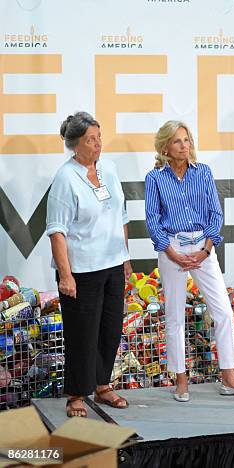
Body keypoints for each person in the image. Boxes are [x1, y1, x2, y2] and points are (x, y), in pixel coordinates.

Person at [145, 120, 234, 402]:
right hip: (171, 247)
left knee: (223, 311)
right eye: (177, 141)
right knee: (175, 317)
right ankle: (181, 381)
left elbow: (215, 214)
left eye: (186, 140)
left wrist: (206, 250)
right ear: (165, 147)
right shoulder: (155, 178)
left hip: (203, 246)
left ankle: (229, 378)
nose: (184, 145)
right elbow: (153, 220)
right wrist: (172, 253)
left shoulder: (204, 172)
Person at [46, 112, 132, 417]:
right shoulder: (65, 178)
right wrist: (65, 275)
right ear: (75, 146)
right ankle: (76, 395)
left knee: (110, 329)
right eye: (90, 140)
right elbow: (57, 231)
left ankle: (102, 385)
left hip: (111, 264)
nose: (97, 144)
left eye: (99, 137)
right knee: (82, 333)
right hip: (81, 270)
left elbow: (120, 216)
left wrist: (125, 258)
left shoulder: (109, 168)